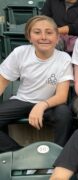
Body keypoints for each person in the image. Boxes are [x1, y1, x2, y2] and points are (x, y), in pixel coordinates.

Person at [0, 15, 73, 152]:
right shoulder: (20, 53)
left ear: (57, 37)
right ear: (29, 36)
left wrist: (41, 105)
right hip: (22, 100)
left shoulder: (63, 58)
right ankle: (17, 153)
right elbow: (2, 82)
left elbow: (62, 96)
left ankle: (60, 155)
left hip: (50, 104)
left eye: (49, 32)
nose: (43, 37)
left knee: (64, 114)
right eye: (37, 32)